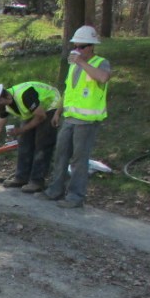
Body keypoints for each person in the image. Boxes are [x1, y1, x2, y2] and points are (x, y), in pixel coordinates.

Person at [41, 25, 111, 208]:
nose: (77, 50)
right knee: (61, 155)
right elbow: (69, 90)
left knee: (79, 160)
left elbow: (103, 78)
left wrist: (81, 62)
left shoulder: (99, 62)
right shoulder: (74, 66)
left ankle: (75, 197)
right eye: (75, 47)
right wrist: (58, 111)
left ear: (91, 46)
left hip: (87, 121)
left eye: (81, 47)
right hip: (69, 118)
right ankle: (55, 190)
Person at [0, 82, 62, 193]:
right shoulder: (5, 105)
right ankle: (21, 177)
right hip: (34, 111)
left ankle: (37, 181)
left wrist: (21, 130)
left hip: (50, 106)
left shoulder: (24, 95)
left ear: (0, 99)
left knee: (42, 143)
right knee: (24, 142)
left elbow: (41, 116)